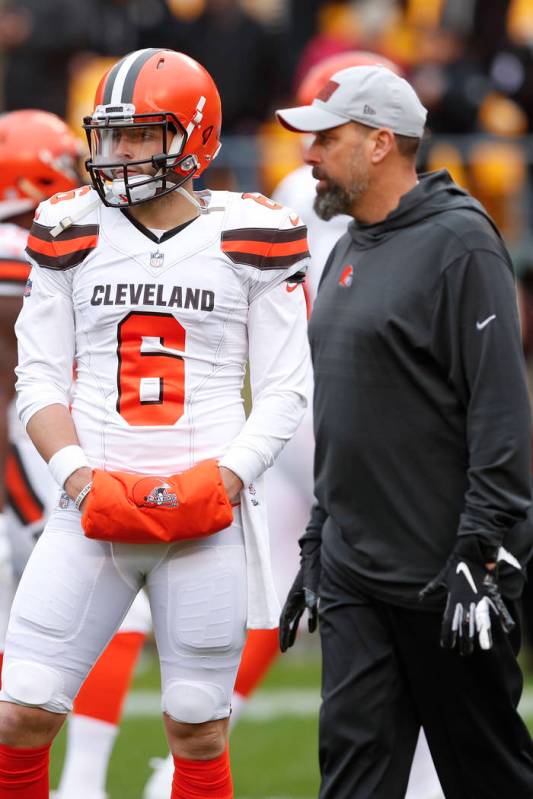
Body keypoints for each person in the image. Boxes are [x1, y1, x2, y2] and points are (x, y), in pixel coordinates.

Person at [0, 48, 310, 799]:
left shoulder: (252, 233)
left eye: (140, 134)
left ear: (194, 138)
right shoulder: (68, 226)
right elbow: (35, 379)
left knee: (199, 724)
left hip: (202, 510)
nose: (119, 152)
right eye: (110, 134)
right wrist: (78, 476)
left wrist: (225, 477)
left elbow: (283, 387)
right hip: (90, 505)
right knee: (19, 714)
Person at [277, 64, 533, 799]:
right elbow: (345, 411)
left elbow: (500, 411)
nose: (308, 154)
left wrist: (479, 549)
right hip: (357, 574)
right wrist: (319, 534)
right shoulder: (347, 247)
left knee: (488, 775)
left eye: (326, 138)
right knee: (352, 781)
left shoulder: (462, 243)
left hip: (445, 575)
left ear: (380, 142)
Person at [0, 108, 152, 799]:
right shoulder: (22, 244)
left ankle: (79, 782)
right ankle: (81, 782)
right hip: (29, 472)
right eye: (65, 164)